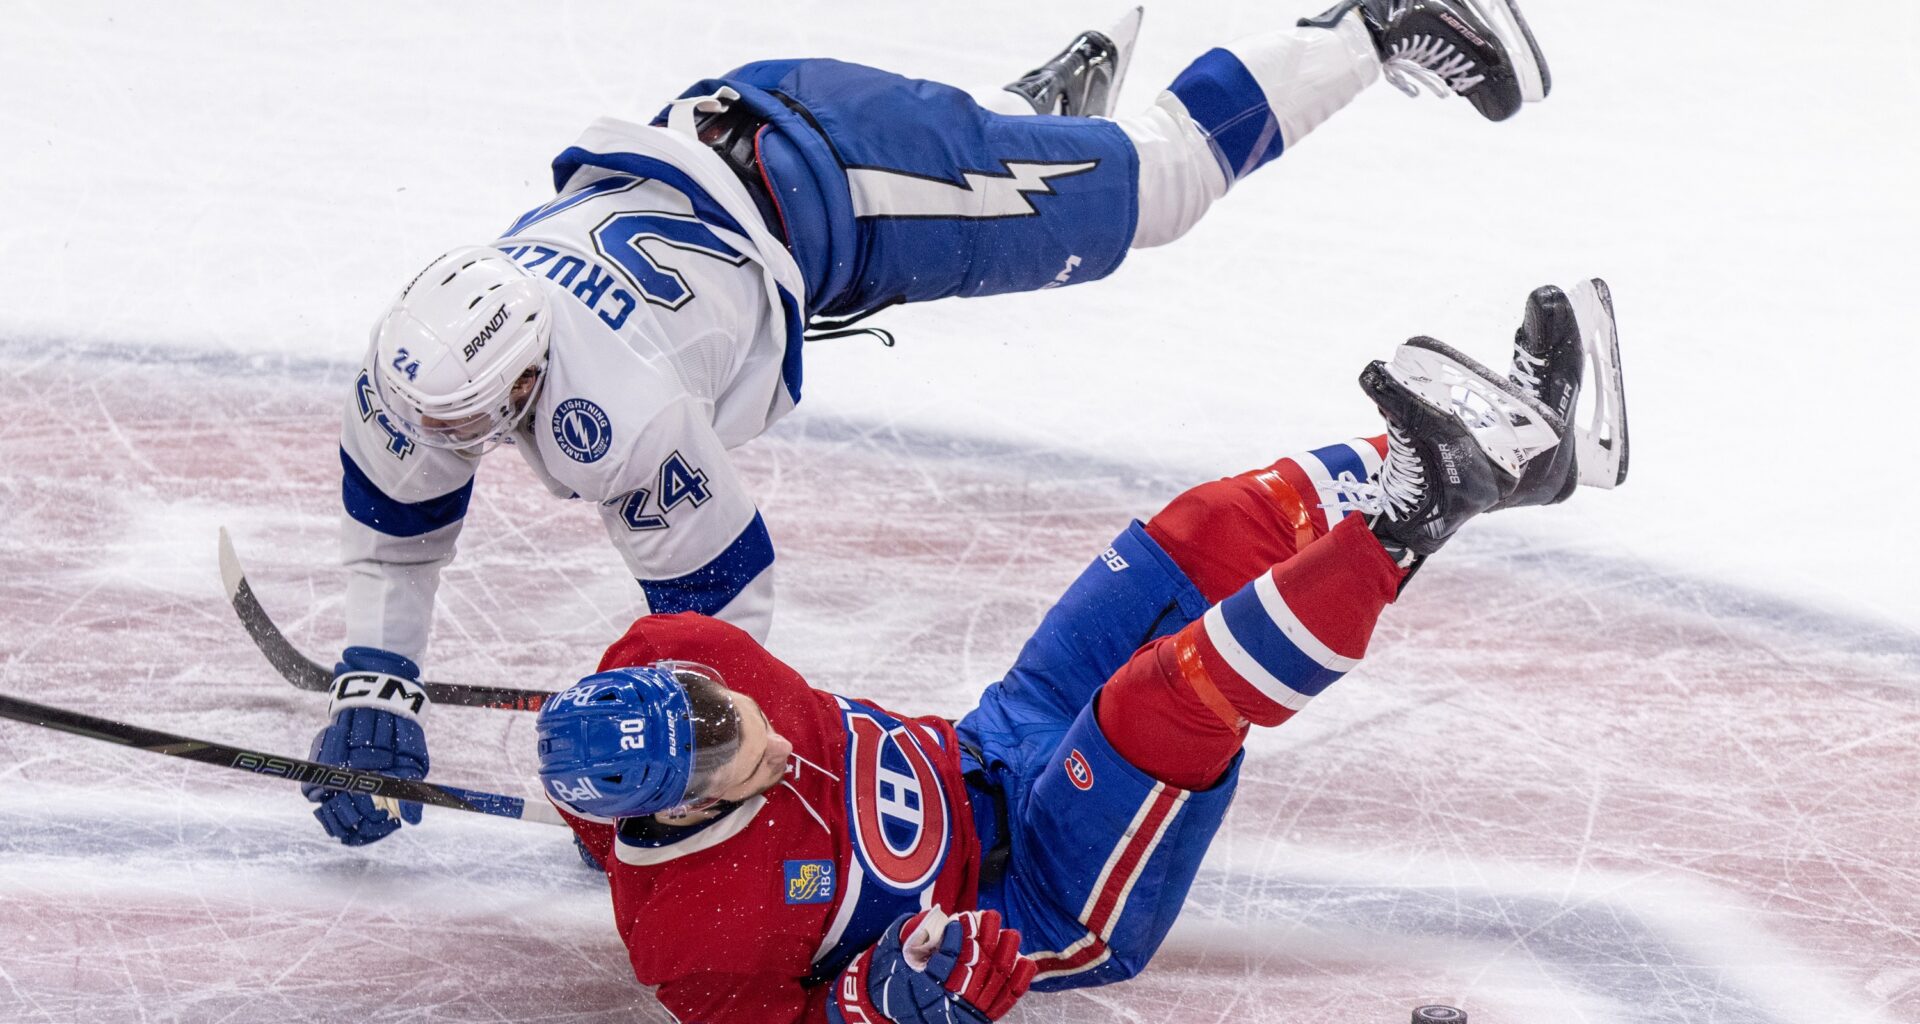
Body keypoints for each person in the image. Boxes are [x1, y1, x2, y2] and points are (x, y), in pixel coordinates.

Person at [310, 0, 1556, 846]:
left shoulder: (612, 404)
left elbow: (724, 599)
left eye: (483, 417)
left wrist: (672, 771)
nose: (459, 439)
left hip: (854, 173)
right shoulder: (426, 350)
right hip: (757, 173)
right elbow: (402, 506)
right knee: (1043, 172)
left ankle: (1376, 24)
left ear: (531, 371)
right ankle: (1025, 116)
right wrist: (381, 673)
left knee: (1161, 185)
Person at [510, 282, 1629, 1023]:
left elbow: (613, 792)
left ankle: (1525, 454)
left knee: (1197, 536)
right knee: (1164, 697)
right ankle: (1408, 520)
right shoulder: (692, 938)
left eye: (708, 702)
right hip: (1037, 891)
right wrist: (892, 995)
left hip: (994, 736)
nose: (740, 725)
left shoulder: (673, 648)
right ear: (680, 814)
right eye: (715, 759)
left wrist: (589, 828)